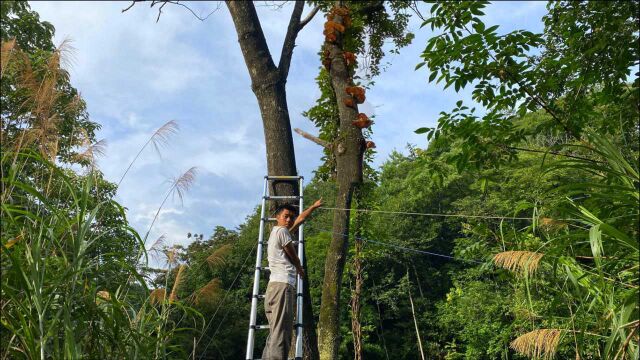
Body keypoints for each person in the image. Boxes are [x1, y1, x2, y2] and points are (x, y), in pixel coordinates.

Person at [262, 198, 322, 360]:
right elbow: (292, 253)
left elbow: (300, 219)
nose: (289, 220)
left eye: (291, 217)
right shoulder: (281, 231)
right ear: (277, 217)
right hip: (282, 286)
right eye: (286, 216)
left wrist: (313, 207)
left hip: (274, 288)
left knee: (275, 332)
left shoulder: (279, 233)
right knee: (282, 333)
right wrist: (300, 269)